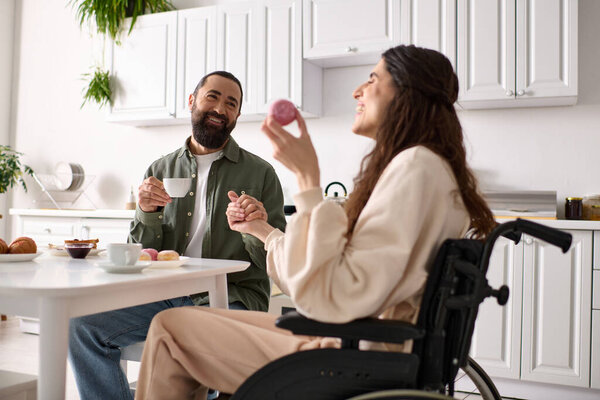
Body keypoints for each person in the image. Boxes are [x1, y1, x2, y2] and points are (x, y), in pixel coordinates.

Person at [133, 45, 497, 399]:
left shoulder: (415, 169)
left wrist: (308, 180)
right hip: (359, 341)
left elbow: (327, 298)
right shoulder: (426, 168)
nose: (358, 91)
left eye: (373, 79)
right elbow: (329, 277)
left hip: (348, 352)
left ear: (407, 94)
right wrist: (261, 230)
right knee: (177, 321)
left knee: (170, 331)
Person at [68, 71, 286, 400]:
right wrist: (146, 211)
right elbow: (141, 253)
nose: (220, 108)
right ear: (192, 101)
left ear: (237, 116)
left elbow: (275, 263)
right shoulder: (159, 170)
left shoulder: (261, 174)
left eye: (231, 103)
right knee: (83, 326)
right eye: (212, 96)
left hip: (232, 297)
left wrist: (256, 228)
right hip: (165, 294)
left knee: (193, 343)